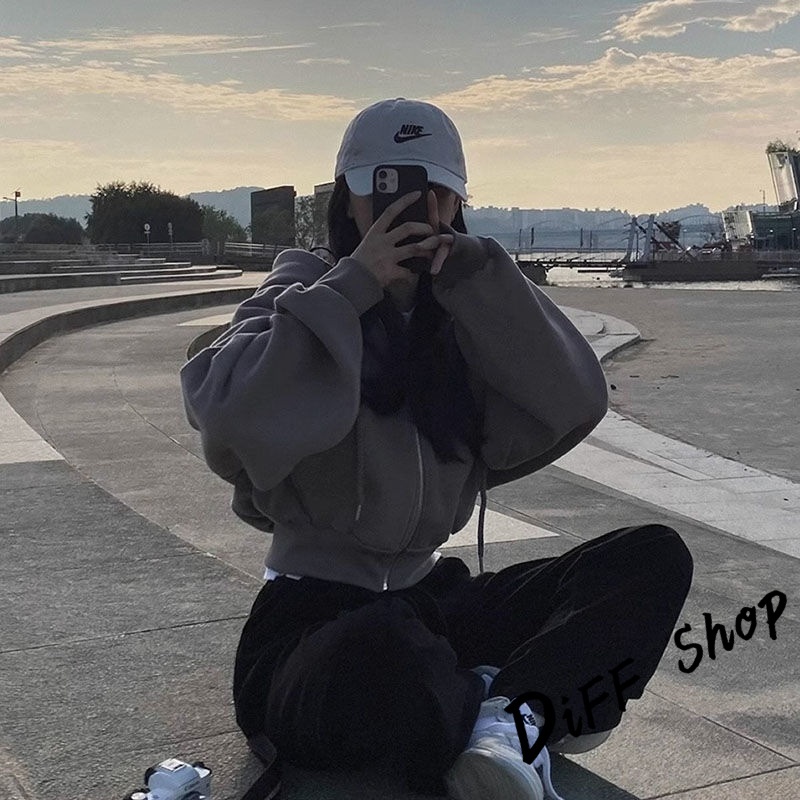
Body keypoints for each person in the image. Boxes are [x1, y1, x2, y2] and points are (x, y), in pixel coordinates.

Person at [180, 98, 693, 800]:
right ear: (348, 202)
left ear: (457, 203)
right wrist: (353, 287)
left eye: (435, 194)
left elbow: (575, 401)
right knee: (383, 650)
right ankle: (495, 697)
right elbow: (225, 414)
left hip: (431, 601)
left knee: (650, 557)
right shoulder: (298, 293)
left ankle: (506, 721)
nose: (413, 212)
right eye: (384, 191)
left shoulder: (462, 315)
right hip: (311, 622)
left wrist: (480, 278)